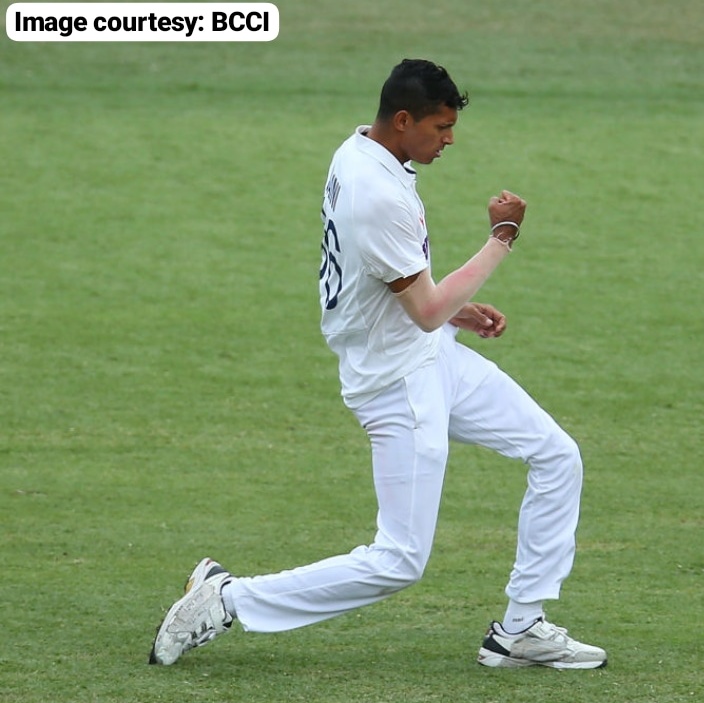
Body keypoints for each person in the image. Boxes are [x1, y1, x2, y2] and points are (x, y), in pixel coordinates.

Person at [149, 59, 606, 670]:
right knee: (399, 560)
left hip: (427, 354)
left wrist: (453, 312)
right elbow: (421, 307)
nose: (450, 139)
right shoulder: (378, 192)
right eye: (441, 127)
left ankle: (522, 628)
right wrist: (501, 238)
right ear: (401, 120)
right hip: (397, 381)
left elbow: (406, 293)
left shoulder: (360, 150)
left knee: (556, 455)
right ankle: (229, 600)